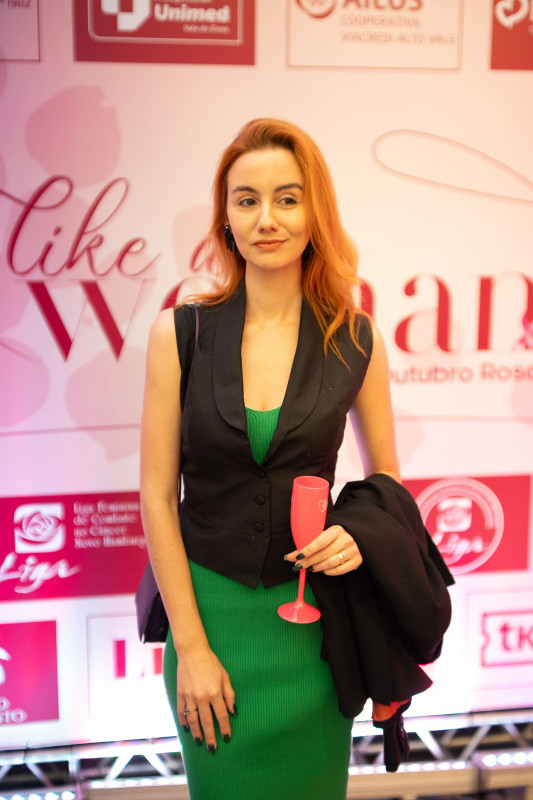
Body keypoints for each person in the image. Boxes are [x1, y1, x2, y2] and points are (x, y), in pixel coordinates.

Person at [139, 118, 451, 799]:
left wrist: (359, 534)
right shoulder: (180, 333)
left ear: (315, 212)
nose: (266, 218)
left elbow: (386, 478)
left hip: (315, 635)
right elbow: (157, 498)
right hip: (210, 627)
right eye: (246, 200)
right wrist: (190, 649)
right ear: (225, 218)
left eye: (287, 198)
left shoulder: (356, 338)